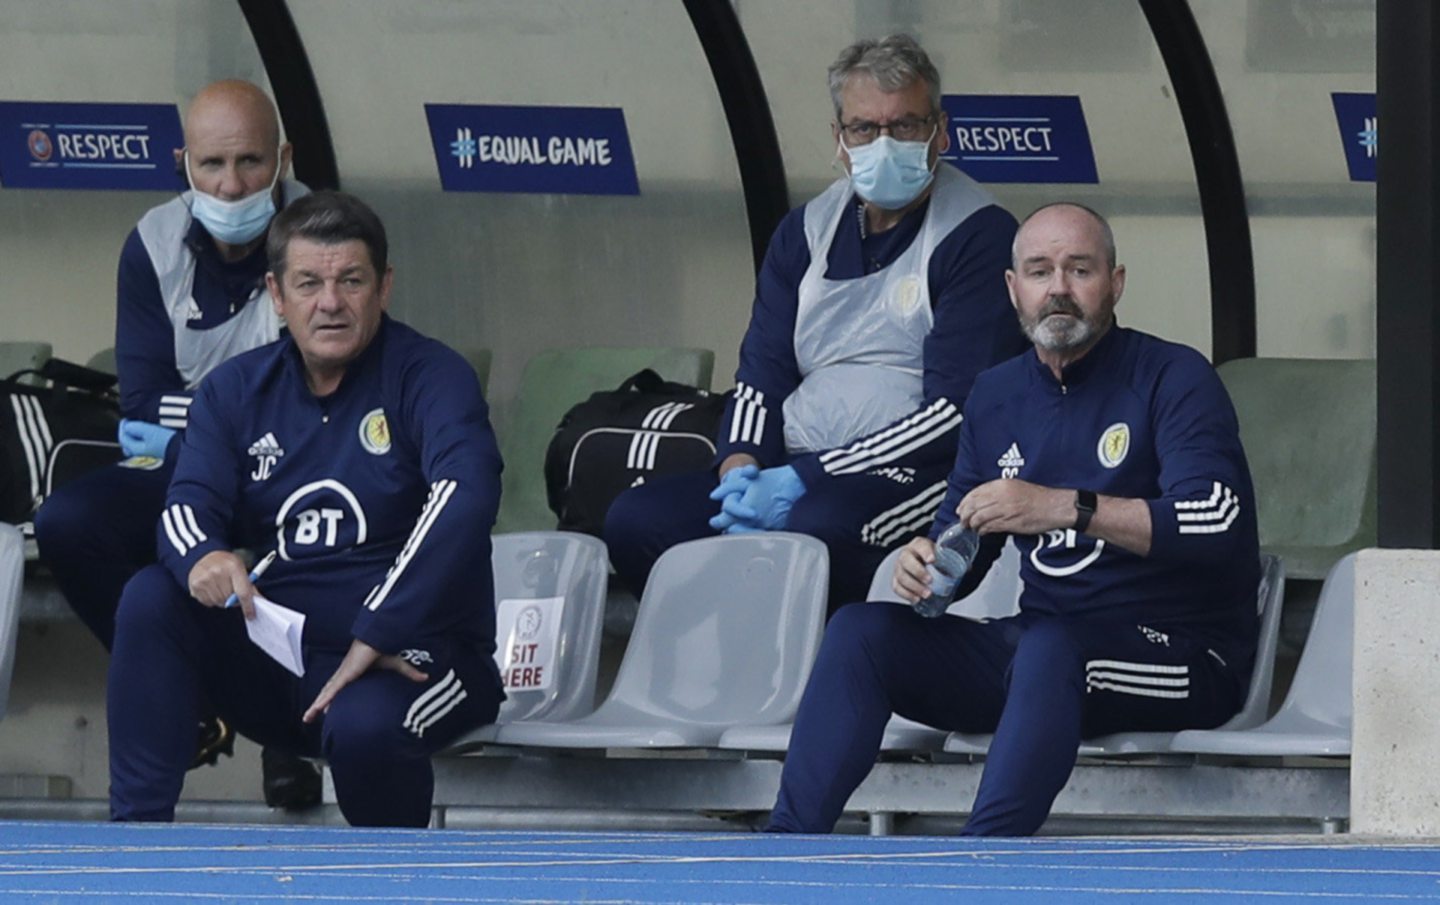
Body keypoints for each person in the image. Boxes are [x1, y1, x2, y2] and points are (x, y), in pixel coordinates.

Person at [765, 202, 1261, 836]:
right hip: (1043, 653)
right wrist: (932, 570)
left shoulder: (1172, 376)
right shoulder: (996, 394)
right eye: (1039, 271)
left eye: (1079, 269)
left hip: (1181, 655)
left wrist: (1066, 507)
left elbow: (1217, 520)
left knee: (1052, 646)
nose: (1058, 288)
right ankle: (784, 852)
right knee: (863, 632)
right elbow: (962, 545)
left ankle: (984, 864)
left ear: (1115, 283)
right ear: (1013, 289)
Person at [106, 190, 505, 827]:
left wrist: (378, 626)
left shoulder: (429, 375)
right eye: (309, 283)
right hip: (288, 659)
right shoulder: (235, 390)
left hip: (417, 658)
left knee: (367, 726)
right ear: (277, 294)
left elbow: (467, 492)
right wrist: (202, 557)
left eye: (351, 281)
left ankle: (394, 891)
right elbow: (187, 502)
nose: (330, 302)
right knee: (153, 597)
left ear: (384, 287)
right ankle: (135, 845)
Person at [604, 35, 1026, 612]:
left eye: (905, 126)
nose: (883, 143)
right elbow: (762, 372)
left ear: (940, 132)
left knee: (820, 524)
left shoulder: (978, 233)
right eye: (863, 128)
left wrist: (811, 477)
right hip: (792, 463)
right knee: (638, 521)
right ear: (839, 138)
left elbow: (957, 412)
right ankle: (732, 664)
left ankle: (820, 670)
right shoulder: (805, 230)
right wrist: (741, 469)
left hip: (916, 471)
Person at [32, 79, 322, 802]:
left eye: (252, 162)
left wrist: (205, 417)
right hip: (183, 469)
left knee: (262, 543)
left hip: (293, 470)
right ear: (182, 163)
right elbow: (140, 407)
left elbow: (314, 397)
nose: (232, 185)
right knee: (67, 521)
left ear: (283, 158)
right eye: (212, 165)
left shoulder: (323, 235)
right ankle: (199, 700)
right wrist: (226, 422)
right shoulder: (153, 242)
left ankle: (281, 733)